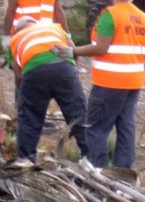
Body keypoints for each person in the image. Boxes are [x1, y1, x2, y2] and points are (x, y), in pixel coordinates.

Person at [52, 0, 145, 170]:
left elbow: (101, 47)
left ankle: (98, 171)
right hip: (133, 82)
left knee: (96, 128)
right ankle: (123, 174)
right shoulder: (143, 19)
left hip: (109, 83)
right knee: (126, 127)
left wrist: (72, 52)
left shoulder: (110, 16)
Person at [9, 18, 88, 164]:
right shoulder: (55, 27)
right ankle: (92, 158)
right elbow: (73, 51)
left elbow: (17, 71)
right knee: (79, 114)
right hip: (63, 66)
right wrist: (73, 72)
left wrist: (23, 94)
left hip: (34, 71)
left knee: (29, 118)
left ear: (18, 30)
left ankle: (26, 160)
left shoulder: (16, 39)